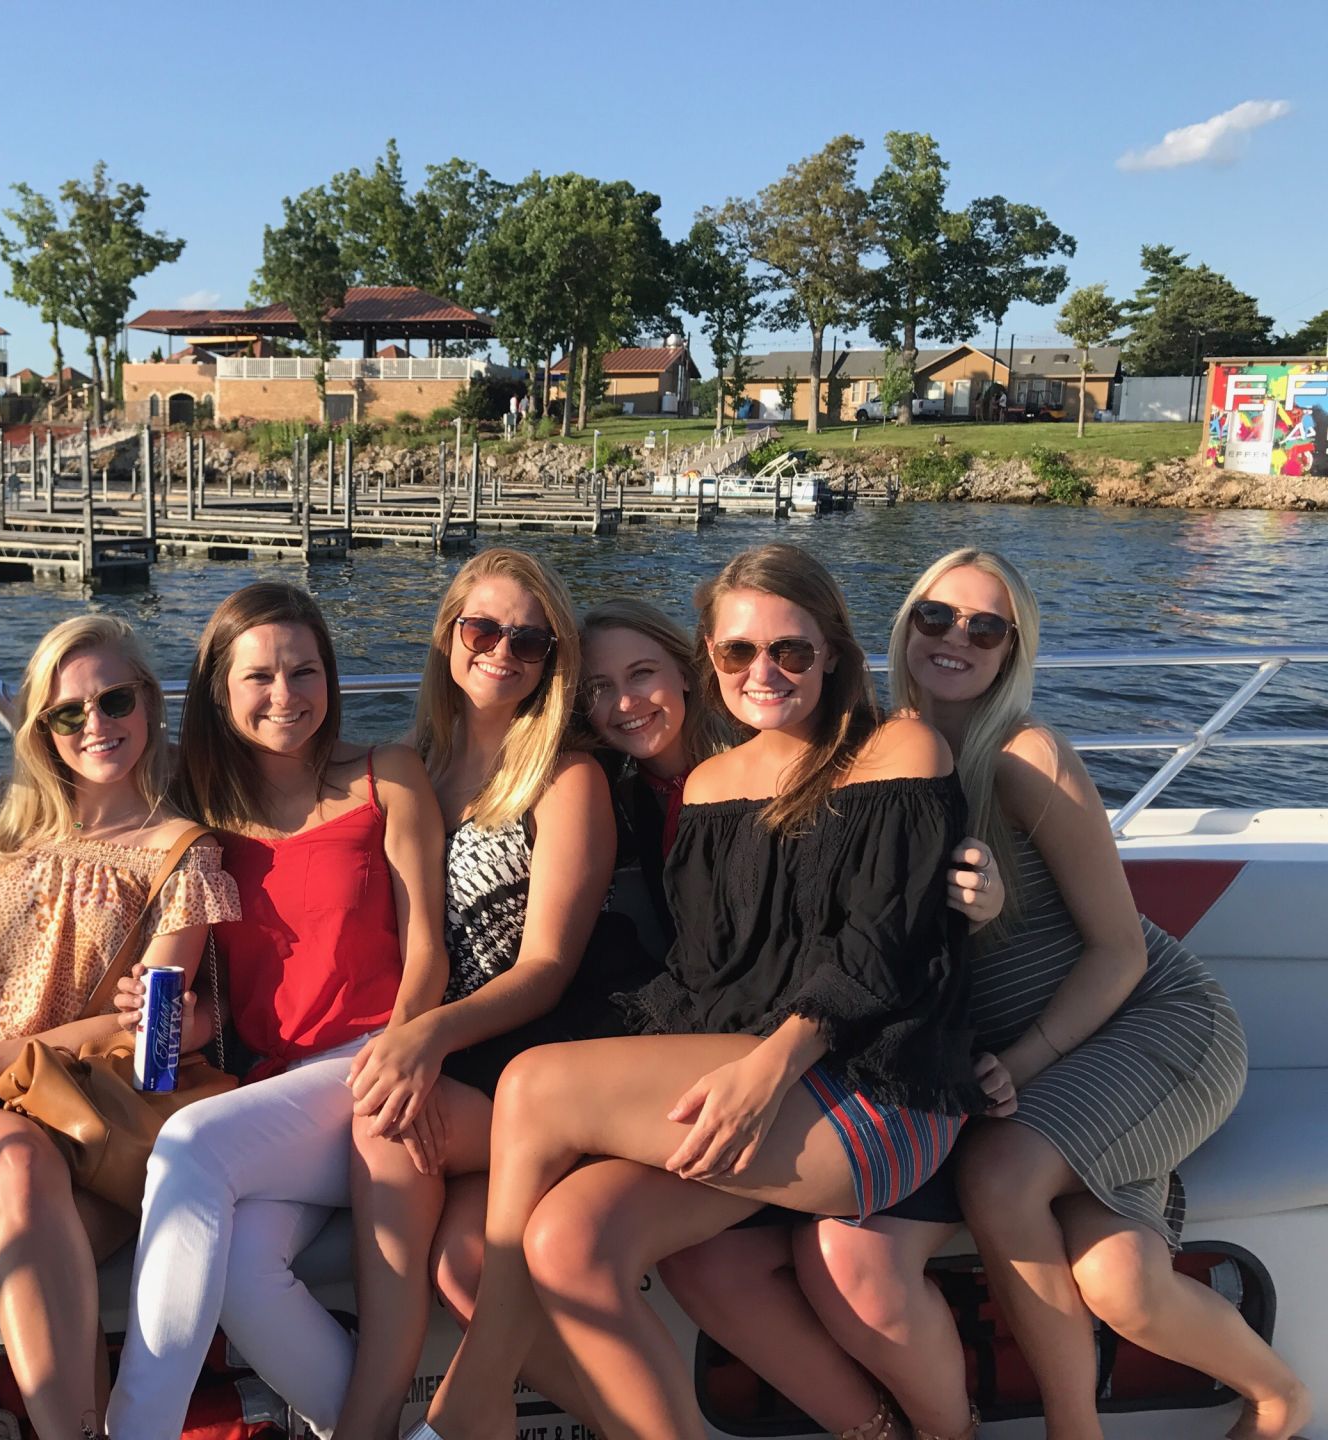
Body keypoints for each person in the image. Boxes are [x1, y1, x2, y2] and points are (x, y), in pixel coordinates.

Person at [679, 550, 1305, 1440]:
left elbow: (1120, 951)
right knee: (1105, 1278)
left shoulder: (1023, 755)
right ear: (902, 628)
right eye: (936, 618)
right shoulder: (862, 748)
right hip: (1011, 1059)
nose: (956, 640)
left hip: (1145, 1027)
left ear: (1014, 649)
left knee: (1002, 1172)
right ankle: (1257, 1378)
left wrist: (1015, 1059)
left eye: (987, 627)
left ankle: (1091, 1427)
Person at [414, 543, 987, 1440]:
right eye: (739, 654)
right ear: (712, 661)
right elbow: (706, 977)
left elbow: (880, 955)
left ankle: (476, 1392)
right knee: (568, 1240)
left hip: (877, 1084)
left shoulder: (897, 749)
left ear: (832, 650)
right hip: (760, 1081)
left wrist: (767, 1070)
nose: (765, 672)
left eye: (790, 650)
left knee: (537, 1085)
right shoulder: (717, 786)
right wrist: (629, 1078)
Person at [107, 582, 449, 1440]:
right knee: (244, 1270)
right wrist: (184, 1022)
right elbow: (223, 982)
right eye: (259, 676)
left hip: (371, 1067)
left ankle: (133, 1432)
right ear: (220, 691)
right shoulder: (202, 818)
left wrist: (405, 1052)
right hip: (272, 1088)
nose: (285, 696)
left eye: (304, 671)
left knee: (192, 1144)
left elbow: (428, 952)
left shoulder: (387, 777)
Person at [0, 616, 237, 1440]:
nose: (96, 725)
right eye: (67, 712)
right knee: (21, 1171)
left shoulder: (181, 854)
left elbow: (153, 1043)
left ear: (149, 704)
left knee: (42, 1208)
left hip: (93, 1130)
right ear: (40, 730)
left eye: (114, 699)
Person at [334, 549, 618, 1439]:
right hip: (460, 1052)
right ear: (448, 636)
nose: (503, 652)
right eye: (483, 629)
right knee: (463, 1264)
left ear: (552, 661)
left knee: (381, 1125)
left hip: (544, 1054)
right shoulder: (413, 765)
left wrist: (423, 1044)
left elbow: (548, 971)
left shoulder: (567, 778)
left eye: (529, 641)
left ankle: (370, 1418)